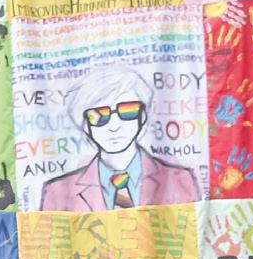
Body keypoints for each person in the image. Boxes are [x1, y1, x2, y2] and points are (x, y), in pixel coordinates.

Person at [39, 64, 199, 211]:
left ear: (142, 116)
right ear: (85, 125)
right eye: (99, 116)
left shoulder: (179, 180)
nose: (114, 126)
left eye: (128, 111)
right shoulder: (57, 192)